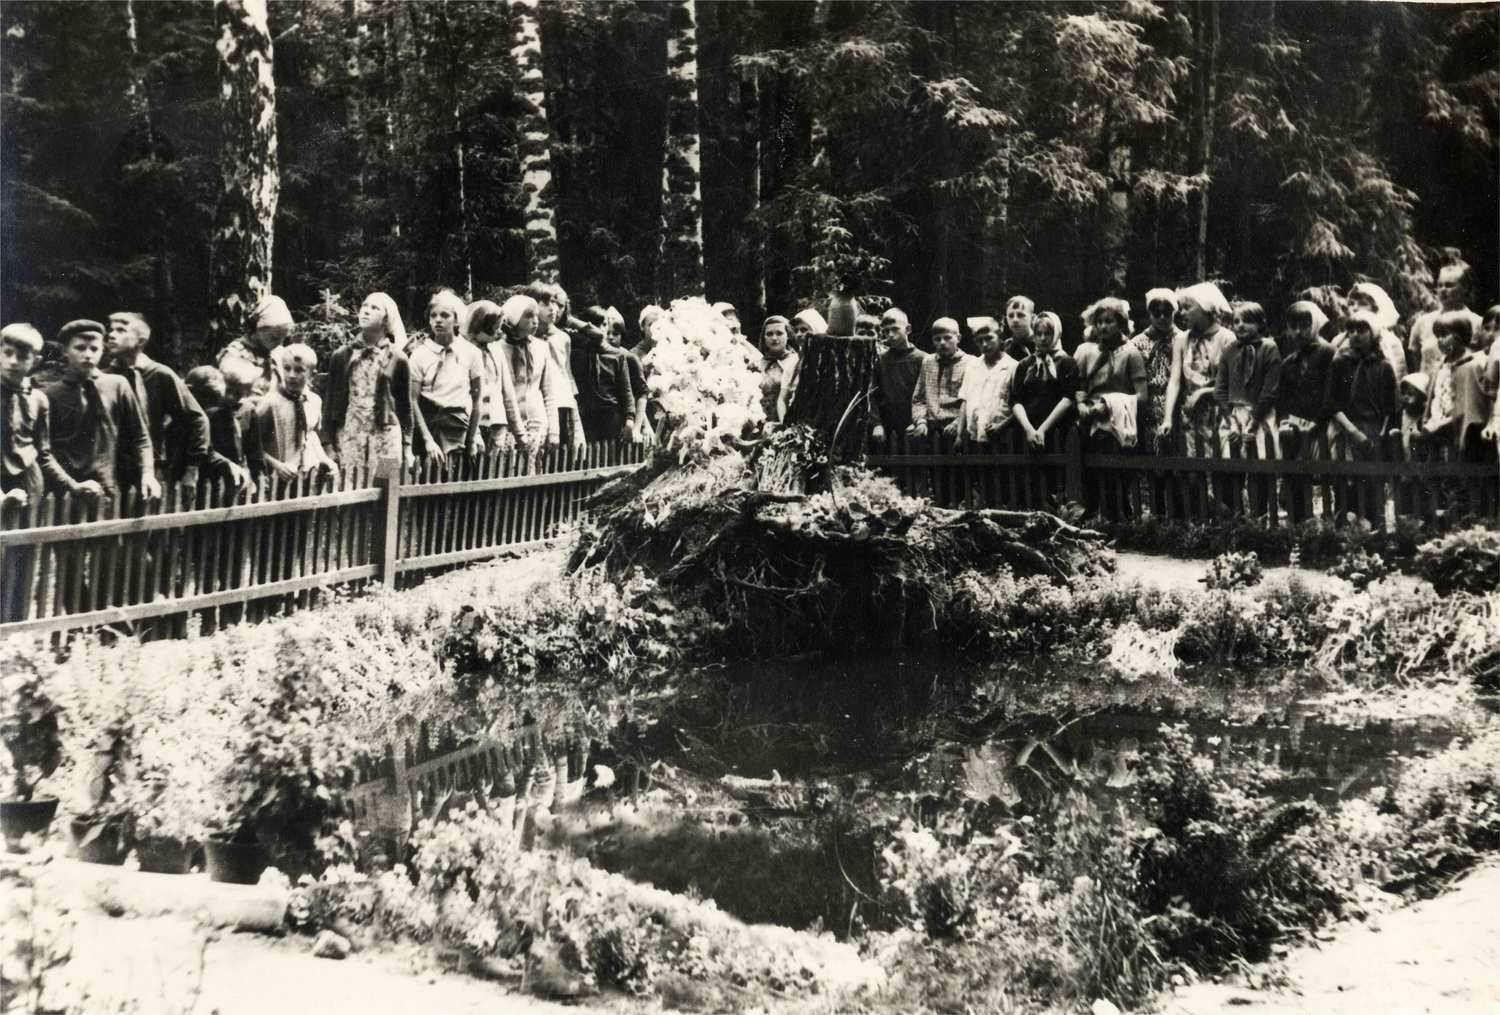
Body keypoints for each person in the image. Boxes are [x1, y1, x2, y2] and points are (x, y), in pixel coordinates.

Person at [106, 312, 246, 492]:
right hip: (111, 473)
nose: (111, 334)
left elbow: (197, 420)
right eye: (111, 330)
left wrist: (192, 469)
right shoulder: (105, 377)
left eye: (121, 330)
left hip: (150, 474)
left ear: (141, 340)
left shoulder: (160, 375)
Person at [42, 320, 158, 501]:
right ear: (65, 351)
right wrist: (70, 485)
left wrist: (148, 474)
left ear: (102, 350)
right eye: (80, 348)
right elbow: (44, 451)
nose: (88, 355)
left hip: (108, 489)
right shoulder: (50, 395)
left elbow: (140, 437)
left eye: (94, 349)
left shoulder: (118, 385)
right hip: (64, 493)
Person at [1, 323, 69, 621]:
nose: (14, 361)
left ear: (35, 362)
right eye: (7, 353)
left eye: (22, 356)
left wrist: (73, 485)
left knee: (24, 555)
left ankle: (13, 628)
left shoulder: (39, 399)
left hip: (29, 482)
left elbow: (43, 452)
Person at [322, 292, 418, 476]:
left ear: (386, 319)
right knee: (351, 491)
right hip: (351, 434)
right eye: (365, 306)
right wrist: (328, 444)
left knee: (387, 487)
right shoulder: (342, 356)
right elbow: (329, 404)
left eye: (374, 308)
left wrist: (407, 446)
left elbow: (405, 407)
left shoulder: (398, 358)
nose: (366, 311)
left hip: (387, 436)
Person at [1327, 311, 1396, 525]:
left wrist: (1380, 434)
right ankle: (1345, 534)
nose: (1356, 335)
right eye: (1351, 330)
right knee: (1345, 485)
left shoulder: (1383, 367)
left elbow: (1390, 408)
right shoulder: (1340, 364)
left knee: (1372, 485)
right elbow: (1331, 403)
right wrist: (1352, 431)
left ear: (1373, 334)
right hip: (1346, 430)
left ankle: (1375, 532)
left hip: (1373, 432)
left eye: (1362, 330)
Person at [1215, 301, 1281, 514]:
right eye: (1236, 321)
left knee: (1259, 468)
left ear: (1260, 324)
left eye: (1247, 321)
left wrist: (1253, 424)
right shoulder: (1229, 350)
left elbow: (1270, 390)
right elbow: (1220, 389)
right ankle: (1235, 517)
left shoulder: (1269, 348)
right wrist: (1230, 420)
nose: (1241, 325)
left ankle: (1260, 517)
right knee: (1230, 468)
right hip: (1233, 416)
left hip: (1259, 416)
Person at [1277, 301, 1337, 522]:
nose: (1299, 332)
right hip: (1295, 429)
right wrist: (1285, 421)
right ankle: (1299, 525)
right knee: (1294, 478)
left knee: (1328, 475)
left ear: (1316, 324)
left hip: (1322, 425)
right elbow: (1282, 400)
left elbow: (1332, 393)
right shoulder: (1288, 363)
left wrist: (1318, 422)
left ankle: (1334, 525)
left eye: (1304, 325)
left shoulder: (1329, 353)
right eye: (1293, 326)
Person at [409, 289, 483, 463]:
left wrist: (472, 438)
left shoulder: (471, 353)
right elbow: (412, 400)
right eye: (433, 316)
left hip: (458, 427)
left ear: (457, 320)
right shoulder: (419, 355)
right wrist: (428, 440)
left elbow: (477, 398)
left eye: (445, 315)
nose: (438, 320)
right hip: (426, 427)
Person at [246, 343, 336, 485]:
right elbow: (252, 445)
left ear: (312, 374)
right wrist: (277, 465)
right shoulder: (271, 403)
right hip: (276, 478)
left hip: (306, 475)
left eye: (299, 370)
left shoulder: (314, 401)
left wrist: (324, 458)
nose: (291, 375)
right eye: (287, 369)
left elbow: (311, 435)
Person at [1161, 282, 1234, 458]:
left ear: (1205, 308)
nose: (1181, 313)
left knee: (1221, 471)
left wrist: (1202, 393)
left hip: (1219, 414)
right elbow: (1175, 380)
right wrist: (1168, 418)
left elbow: (1232, 383)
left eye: (1187, 307)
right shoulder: (1181, 339)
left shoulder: (1227, 338)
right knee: (1193, 473)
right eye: (1181, 308)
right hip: (1190, 416)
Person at [1074, 297, 1146, 451]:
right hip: (1089, 424)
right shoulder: (1085, 351)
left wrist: (1110, 405)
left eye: (1108, 321)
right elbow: (1079, 385)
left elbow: (1142, 396)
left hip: (1118, 425)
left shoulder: (1131, 353)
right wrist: (1081, 403)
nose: (1103, 326)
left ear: (1121, 324)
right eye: (1099, 322)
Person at [1421, 311, 1490, 463]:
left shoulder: (1472, 365)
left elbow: (1471, 407)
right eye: (1437, 336)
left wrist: (1443, 425)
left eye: (1444, 335)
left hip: (1456, 430)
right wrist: (1427, 421)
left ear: (1462, 336)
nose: (1440, 340)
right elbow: (1433, 397)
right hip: (1436, 429)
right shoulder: (1440, 366)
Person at [1004, 311, 1077, 450]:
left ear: (1057, 333)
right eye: (1038, 333)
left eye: (1048, 333)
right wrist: (1029, 430)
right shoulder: (1025, 364)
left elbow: (1067, 398)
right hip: (1027, 433)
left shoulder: (1067, 363)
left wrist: (1042, 430)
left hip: (1058, 431)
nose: (1043, 338)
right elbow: (1016, 400)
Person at [498, 294, 561, 454]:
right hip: (507, 424)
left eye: (535, 315)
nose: (535, 320)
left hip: (537, 423)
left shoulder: (542, 347)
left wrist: (554, 430)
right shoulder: (496, 349)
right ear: (514, 318)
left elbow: (549, 392)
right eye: (528, 316)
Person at [529, 281, 586, 450]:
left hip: (563, 400)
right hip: (541, 403)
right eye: (547, 303)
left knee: (567, 451)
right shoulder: (528, 341)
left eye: (555, 303)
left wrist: (573, 402)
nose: (553, 308)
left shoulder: (563, 338)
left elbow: (566, 372)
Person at [571, 305, 638, 442]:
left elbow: (626, 391)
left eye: (604, 324)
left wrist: (629, 421)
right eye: (595, 325)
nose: (600, 329)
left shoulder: (617, 355)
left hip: (611, 416)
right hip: (585, 416)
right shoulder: (576, 353)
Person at [1409, 260, 1483, 378]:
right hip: (1427, 390)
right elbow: (1416, 361)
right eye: (1440, 285)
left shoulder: (1478, 323)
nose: (1443, 290)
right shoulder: (1423, 322)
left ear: (1466, 288)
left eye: (1450, 285)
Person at [1131, 288, 1183, 453]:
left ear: (1174, 312)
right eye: (1157, 313)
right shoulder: (1137, 343)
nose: (1162, 318)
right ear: (1149, 314)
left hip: (1177, 404)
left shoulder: (1183, 339)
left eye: (1167, 313)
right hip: (1148, 405)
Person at [910, 317, 972, 451]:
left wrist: (958, 424)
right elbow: (918, 399)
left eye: (948, 338)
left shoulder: (971, 363)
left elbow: (974, 401)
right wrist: (921, 421)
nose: (942, 343)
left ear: (958, 338)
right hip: (931, 431)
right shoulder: (928, 362)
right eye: (937, 339)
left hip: (959, 431)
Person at [870, 307, 928, 451]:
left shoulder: (924, 359)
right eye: (886, 331)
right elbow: (872, 395)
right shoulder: (880, 360)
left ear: (908, 329)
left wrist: (920, 421)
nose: (890, 335)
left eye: (895, 329)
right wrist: (876, 424)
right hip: (886, 430)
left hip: (916, 428)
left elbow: (929, 395)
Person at [957, 316, 1018, 448]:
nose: (984, 344)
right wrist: (959, 435)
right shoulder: (972, 366)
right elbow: (965, 400)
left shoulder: (1013, 366)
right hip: (974, 437)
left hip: (1003, 438)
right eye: (980, 341)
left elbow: (1019, 405)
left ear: (999, 337)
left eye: (989, 338)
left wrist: (1002, 426)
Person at [218, 293, 293, 396]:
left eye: (283, 338)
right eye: (274, 337)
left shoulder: (279, 353)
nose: (279, 343)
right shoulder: (235, 354)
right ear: (258, 328)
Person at [1336, 282, 1407, 381]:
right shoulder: (1339, 340)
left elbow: (1396, 380)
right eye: (1351, 303)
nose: (1355, 308)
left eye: (1363, 304)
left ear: (1375, 309)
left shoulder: (1391, 342)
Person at [605, 307, 653, 443]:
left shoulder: (629, 357)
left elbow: (641, 393)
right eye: (607, 332)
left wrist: (638, 426)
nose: (610, 337)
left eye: (615, 333)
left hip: (626, 419)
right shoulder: (595, 356)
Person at [757, 315, 798, 425]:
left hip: (787, 423)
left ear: (788, 336)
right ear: (764, 337)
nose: (774, 338)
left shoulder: (796, 362)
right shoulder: (758, 363)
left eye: (779, 333)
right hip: (760, 423)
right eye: (769, 334)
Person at [1002, 296, 1035, 360]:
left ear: (1033, 318)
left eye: (1020, 315)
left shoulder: (1042, 344)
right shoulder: (1004, 348)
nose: (1015, 320)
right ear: (1006, 319)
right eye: (1011, 316)